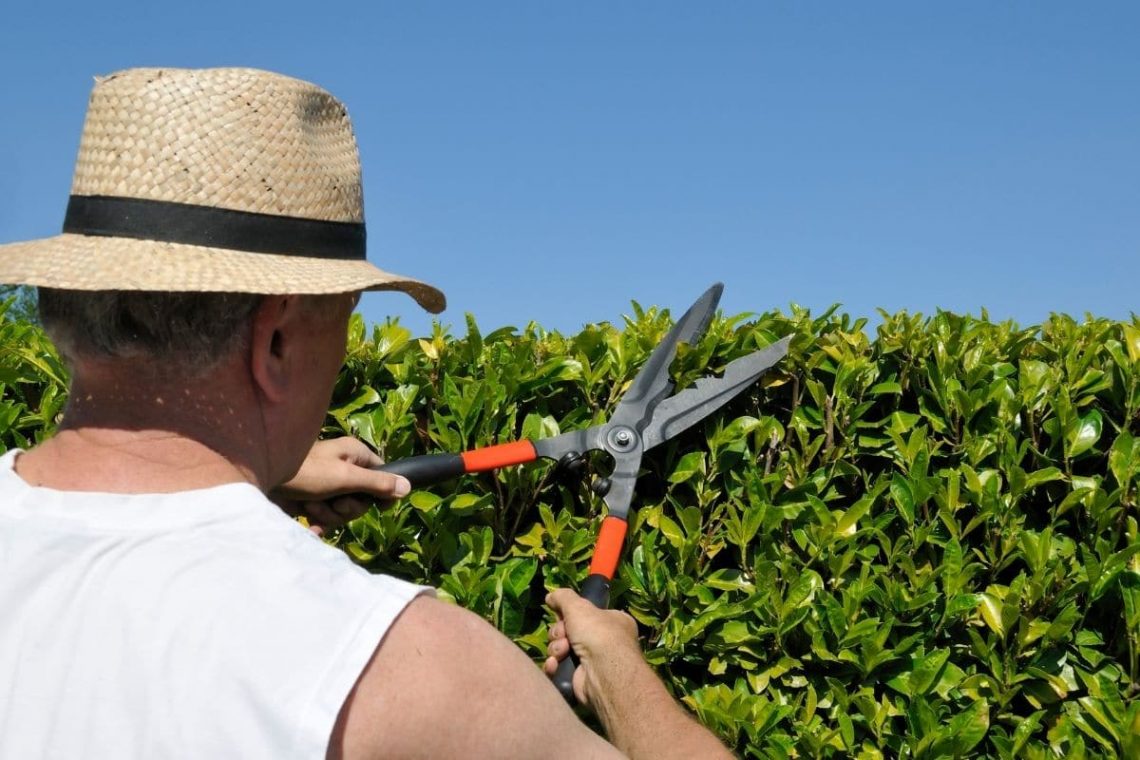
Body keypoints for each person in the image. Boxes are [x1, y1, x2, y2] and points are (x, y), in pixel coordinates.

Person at [0, 68, 731, 759]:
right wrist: (621, 675)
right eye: (345, 315)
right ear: (278, 340)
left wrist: (256, 476)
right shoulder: (413, 670)